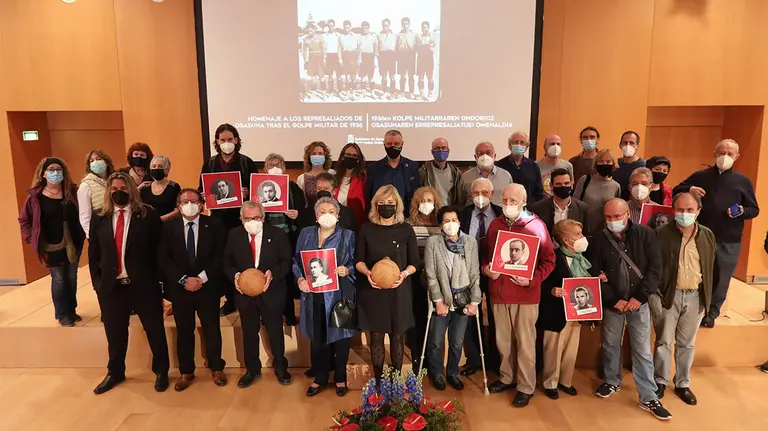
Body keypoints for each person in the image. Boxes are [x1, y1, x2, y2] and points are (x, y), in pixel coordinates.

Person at [88, 172, 170, 394]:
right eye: (113, 189)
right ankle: (115, 372)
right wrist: (98, 283)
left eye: (123, 189)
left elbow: (158, 251)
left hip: (143, 285)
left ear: (132, 190)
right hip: (111, 287)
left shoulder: (147, 215)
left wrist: (158, 283)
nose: (118, 193)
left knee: (154, 330)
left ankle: (161, 371)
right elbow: (93, 253)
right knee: (114, 333)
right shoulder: (100, 216)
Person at [590, 198, 670, 421]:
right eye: (608, 217)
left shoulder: (646, 234)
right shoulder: (598, 239)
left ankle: (648, 396)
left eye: (617, 216)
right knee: (609, 344)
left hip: (639, 303)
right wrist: (612, 299)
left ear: (627, 215)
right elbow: (594, 272)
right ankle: (611, 380)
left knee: (642, 350)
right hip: (613, 303)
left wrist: (639, 297)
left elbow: (655, 269)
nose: (613, 221)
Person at [483, 184, 556, 407]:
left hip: (525, 295)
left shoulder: (537, 227)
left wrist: (532, 280)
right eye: (504, 200)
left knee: (525, 344)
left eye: (512, 201)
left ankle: (526, 386)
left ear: (524, 201)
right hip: (499, 293)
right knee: (503, 342)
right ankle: (507, 377)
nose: (507, 205)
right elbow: (487, 257)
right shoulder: (495, 225)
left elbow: (549, 261)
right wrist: (487, 269)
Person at [674, 139, 759, 327]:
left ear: (736, 157)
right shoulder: (700, 176)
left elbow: (754, 209)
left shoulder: (743, 181)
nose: (725, 157)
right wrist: (689, 189)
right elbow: (676, 190)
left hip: (729, 239)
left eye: (730, 154)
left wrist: (742, 211)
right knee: (699, 273)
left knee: (722, 277)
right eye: (722, 153)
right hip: (700, 236)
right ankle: (693, 309)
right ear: (715, 153)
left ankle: (712, 313)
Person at [158, 189, 227, 391]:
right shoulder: (169, 227)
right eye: (185, 201)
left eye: (194, 201)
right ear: (178, 206)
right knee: (184, 330)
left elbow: (219, 255)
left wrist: (201, 278)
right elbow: (163, 257)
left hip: (208, 286)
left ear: (202, 204)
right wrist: (183, 280)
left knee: (212, 328)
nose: (190, 205)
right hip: (180, 288)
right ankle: (186, 371)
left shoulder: (214, 225)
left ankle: (217, 367)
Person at [651, 192, 715, 405]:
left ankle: (682, 383)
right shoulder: (660, 234)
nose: (684, 214)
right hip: (670, 295)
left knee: (687, 344)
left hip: (696, 295)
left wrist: (711, 301)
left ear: (698, 211)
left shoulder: (707, 235)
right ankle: (659, 380)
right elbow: (652, 268)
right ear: (673, 211)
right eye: (680, 210)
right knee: (664, 341)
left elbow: (713, 268)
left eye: (689, 210)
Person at [223, 200, 292, 388]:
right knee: (249, 332)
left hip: (271, 292)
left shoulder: (277, 234)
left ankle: (280, 366)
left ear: (263, 217)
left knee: (275, 331)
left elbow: (286, 261)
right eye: (247, 218)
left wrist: (273, 274)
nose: (252, 221)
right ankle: (252, 369)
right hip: (245, 295)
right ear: (241, 219)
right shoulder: (234, 235)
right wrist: (236, 276)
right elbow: (226, 263)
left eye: (256, 218)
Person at [355, 185, 419, 385]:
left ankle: (396, 380)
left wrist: (404, 274)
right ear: (375, 205)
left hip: (399, 290)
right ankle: (379, 382)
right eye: (381, 203)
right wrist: (368, 273)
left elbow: (414, 262)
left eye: (390, 203)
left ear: (397, 205)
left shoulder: (406, 229)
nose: (386, 207)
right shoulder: (366, 229)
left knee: (397, 336)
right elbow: (358, 260)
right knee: (376, 336)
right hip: (373, 290)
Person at [294, 197, 357, 397]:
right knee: (317, 338)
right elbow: (296, 260)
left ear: (338, 215)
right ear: (315, 215)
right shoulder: (305, 234)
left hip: (339, 295)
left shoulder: (347, 235)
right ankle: (320, 377)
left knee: (341, 339)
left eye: (331, 211)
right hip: (314, 296)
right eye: (322, 211)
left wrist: (347, 270)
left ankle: (340, 378)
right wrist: (299, 279)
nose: (326, 214)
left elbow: (358, 260)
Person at [18, 157, 86, 327]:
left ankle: (71, 310)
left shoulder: (72, 192)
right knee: (58, 278)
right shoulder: (35, 197)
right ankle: (62, 313)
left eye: (59, 169)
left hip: (73, 242)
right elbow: (24, 220)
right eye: (51, 170)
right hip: (50, 245)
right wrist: (30, 237)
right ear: (43, 173)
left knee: (71, 276)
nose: (55, 173)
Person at [200, 123, 256, 316]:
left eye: (230, 140)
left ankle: (243, 295)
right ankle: (228, 299)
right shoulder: (209, 164)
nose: (226, 143)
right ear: (217, 142)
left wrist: (247, 193)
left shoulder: (246, 162)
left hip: (241, 220)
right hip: (218, 221)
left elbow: (257, 194)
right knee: (221, 259)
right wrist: (206, 195)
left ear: (236, 140)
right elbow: (202, 191)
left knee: (240, 258)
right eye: (222, 140)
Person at [424, 205, 481, 391]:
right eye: (446, 221)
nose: (450, 224)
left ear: (459, 222)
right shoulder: (433, 243)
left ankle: (452, 373)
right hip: (442, 299)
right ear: (441, 224)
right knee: (436, 340)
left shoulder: (470, 242)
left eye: (453, 220)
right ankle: (437, 373)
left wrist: (474, 301)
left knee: (456, 341)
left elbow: (474, 274)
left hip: (463, 299)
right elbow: (431, 275)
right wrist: (438, 301)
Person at [537, 219, 591, 399]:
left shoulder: (584, 258)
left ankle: (565, 381)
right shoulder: (553, 256)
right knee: (553, 349)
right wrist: (551, 290)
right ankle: (550, 383)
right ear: (565, 240)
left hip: (577, 313)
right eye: (577, 234)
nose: (582, 237)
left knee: (571, 349)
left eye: (581, 233)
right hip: (556, 313)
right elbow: (540, 283)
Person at [458, 178, 502, 377]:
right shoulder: (462, 214)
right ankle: (474, 359)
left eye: (484, 193)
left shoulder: (501, 213)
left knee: (495, 316)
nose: (480, 197)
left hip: (495, 272)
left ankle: (495, 359)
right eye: (476, 193)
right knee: (469, 316)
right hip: (468, 272)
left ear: (492, 194)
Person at [263, 153, 305, 327]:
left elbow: (303, 212)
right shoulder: (258, 188)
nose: (275, 167)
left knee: (285, 276)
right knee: (265, 275)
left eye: (279, 164)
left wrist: (297, 215)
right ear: (265, 169)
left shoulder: (293, 188)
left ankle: (288, 313)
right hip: (264, 238)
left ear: (284, 168)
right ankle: (267, 315)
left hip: (286, 237)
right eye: (271, 164)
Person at [405, 185, 443, 370]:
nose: (426, 204)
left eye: (429, 201)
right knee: (416, 318)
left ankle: (432, 360)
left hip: (435, 278)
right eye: (422, 201)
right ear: (415, 203)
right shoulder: (408, 224)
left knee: (434, 318)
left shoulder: (441, 223)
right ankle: (416, 359)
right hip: (414, 277)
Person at [365, 130, 420, 215]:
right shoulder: (373, 169)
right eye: (389, 144)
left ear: (402, 144)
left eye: (396, 144)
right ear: (384, 145)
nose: (393, 146)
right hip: (381, 217)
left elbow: (417, 194)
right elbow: (369, 197)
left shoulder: (412, 167)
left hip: (406, 217)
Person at [528, 168, 589, 238]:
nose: (563, 186)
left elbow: (585, 235)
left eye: (566, 183)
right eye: (558, 184)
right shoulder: (537, 208)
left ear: (572, 184)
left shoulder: (582, 208)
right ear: (551, 185)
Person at [573, 149, 621, 235]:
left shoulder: (616, 186)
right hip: (583, 230)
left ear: (613, 164)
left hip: (605, 233)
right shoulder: (585, 180)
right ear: (596, 163)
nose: (604, 164)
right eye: (601, 161)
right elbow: (574, 205)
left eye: (608, 161)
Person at [457, 141, 514, 206]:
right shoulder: (466, 177)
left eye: (488, 153)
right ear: (475, 157)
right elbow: (461, 201)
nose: (484, 156)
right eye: (481, 153)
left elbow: (510, 199)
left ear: (494, 156)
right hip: (472, 215)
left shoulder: (505, 176)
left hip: (498, 215)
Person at [495, 131, 545, 203]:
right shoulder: (499, 166)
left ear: (527, 146)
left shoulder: (533, 166)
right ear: (509, 145)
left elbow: (539, 193)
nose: (519, 145)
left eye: (522, 142)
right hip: (506, 208)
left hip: (528, 210)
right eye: (516, 142)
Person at [78, 149, 115, 237]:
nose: (95, 162)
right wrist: (91, 236)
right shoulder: (86, 185)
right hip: (101, 231)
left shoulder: (115, 179)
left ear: (106, 162)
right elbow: (85, 216)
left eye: (98, 159)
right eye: (92, 161)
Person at [419, 137, 461, 206]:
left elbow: (459, 197)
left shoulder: (455, 172)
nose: (441, 150)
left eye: (444, 148)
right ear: (432, 152)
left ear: (448, 151)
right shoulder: (424, 171)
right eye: (437, 148)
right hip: (431, 211)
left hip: (449, 212)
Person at [334, 142, 368, 226]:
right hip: (335, 223)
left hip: (356, 224)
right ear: (342, 157)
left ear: (358, 159)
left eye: (354, 156)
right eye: (348, 154)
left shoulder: (364, 180)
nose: (350, 157)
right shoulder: (334, 178)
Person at [141, 155, 180, 222]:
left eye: (160, 166)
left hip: (168, 225)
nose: (156, 168)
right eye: (154, 166)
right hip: (148, 226)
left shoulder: (174, 187)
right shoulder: (145, 187)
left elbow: (177, 210)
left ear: (167, 170)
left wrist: (159, 220)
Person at [297, 141, 336, 209]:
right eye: (314, 154)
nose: (317, 156)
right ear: (309, 157)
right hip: (309, 216)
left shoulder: (332, 174)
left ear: (325, 156)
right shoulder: (302, 178)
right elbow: (301, 203)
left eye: (320, 154)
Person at [612, 131, 646, 201]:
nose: (628, 145)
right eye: (625, 143)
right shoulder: (615, 164)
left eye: (631, 143)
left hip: (634, 204)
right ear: (620, 145)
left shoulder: (644, 166)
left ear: (637, 146)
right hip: (616, 203)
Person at [302, 25, 326, 99]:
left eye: (311, 30)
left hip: (319, 58)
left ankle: (324, 94)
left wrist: (324, 59)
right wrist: (306, 60)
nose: (310, 32)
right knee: (309, 77)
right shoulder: (306, 39)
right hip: (311, 59)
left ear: (315, 30)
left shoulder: (320, 37)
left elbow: (323, 49)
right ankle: (306, 93)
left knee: (322, 77)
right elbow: (304, 51)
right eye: (308, 31)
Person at [395, 17, 417, 98]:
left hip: (410, 56)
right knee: (402, 76)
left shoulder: (414, 35)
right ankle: (402, 92)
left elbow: (417, 46)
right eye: (403, 24)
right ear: (401, 25)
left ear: (409, 24)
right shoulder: (398, 35)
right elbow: (396, 47)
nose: (405, 25)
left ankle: (411, 92)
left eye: (407, 24)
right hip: (401, 56)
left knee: (411, 76)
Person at [340, 20, 361, 98]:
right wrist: (340, 59)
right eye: (345, 28)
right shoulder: (341, 37)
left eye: (348, 27)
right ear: (343, 28)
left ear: (351, 27)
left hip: (353, 55)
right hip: (345, 55)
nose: (347, 29)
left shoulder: (356, 36)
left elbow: (359, 49)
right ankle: (348, 93)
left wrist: (359, 59)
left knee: (353, 76)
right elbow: (339, 49)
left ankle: (354, 93)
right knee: (346, 77)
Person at [415, 21, 436, 100]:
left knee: (430, 77)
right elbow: (417, 48)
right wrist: (427, 46)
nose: (424, 29)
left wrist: (424, 47)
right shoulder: (419, 37)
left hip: (429, 59)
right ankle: (421, 94)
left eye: (426, 27)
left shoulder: (432, 37)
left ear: (428, 28)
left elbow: (433, 48)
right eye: (423, 27)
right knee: (420, 77)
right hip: (421, 59)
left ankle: (430, 94)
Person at [323, 19, 342, 97]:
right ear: (328, 27)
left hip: (337, 56)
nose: (331, 27)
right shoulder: (325, 36)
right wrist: (324, 58)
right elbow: (324, 48)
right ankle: (330, 92)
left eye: (332, 26)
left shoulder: (338, 35)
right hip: (329, 56)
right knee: (330, 76)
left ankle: (340, 91)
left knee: (339, 76)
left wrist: (340, 58)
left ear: (334, 26)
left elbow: (340, 47)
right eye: (329, 26)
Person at [377, 18, 396, 95]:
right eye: (383, 25)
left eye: (386, 25)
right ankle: (384, 91)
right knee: (384, 76)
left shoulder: (394, 35)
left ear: (389, 25)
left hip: (391, 56)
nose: (385, 27)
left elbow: (397, 47)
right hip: (382, 56)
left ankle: (392, 92)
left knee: (392, 76)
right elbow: (377, 47)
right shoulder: (378, 35)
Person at [359, 21, 378, 94]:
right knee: (363, 76)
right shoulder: (360, 37)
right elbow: (359, 49)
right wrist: (359, 58)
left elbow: (376, 49)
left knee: (371, 76)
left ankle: (372, 92)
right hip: (363, 57)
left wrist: (375, 60)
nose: (364, 29)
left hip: (370, 57)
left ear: (369, 28)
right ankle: (363, 92)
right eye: (363, 28)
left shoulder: (373, 37)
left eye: (366, 28)